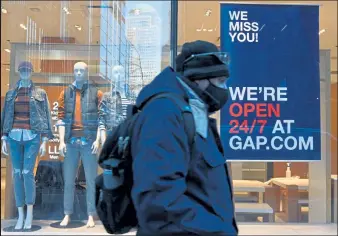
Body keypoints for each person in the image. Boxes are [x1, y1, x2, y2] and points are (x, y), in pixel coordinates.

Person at [131, 40, 238, 235]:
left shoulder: (192, 114)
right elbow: (159, 201)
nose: (225, 89)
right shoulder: (165, 114)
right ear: (199, 79)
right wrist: (218, 231)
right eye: (220, 81)